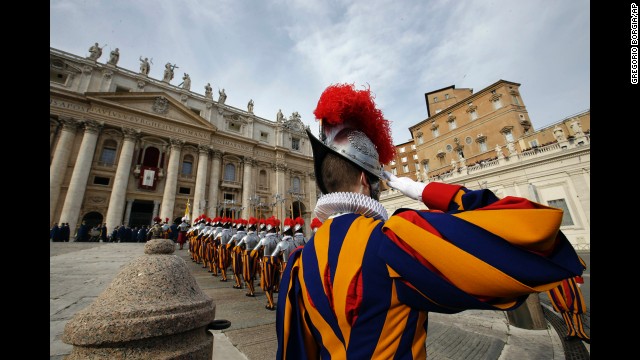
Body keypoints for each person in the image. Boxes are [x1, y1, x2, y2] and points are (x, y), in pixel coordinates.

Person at [275, 83, 585, 359]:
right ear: (363, 180)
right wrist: (422, 190)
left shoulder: (298, 265)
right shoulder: (393, 240)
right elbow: (536, 234)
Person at [545, 258, 590, 344]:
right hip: (552, 281)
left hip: (568, 279)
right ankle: (571, 331)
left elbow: (577, 261)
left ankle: (580, 332)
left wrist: (577, 278)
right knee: (561, 306)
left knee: (575, 305)